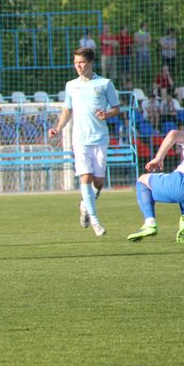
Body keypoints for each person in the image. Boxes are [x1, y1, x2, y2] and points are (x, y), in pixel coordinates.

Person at [48, 47, 120, 237]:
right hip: (79, 139)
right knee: (85, 177)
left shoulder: (105, 84)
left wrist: (107, 114)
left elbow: (116, 108)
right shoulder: (71, 85)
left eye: (81, 62)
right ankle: (95, 221)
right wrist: (58, 128)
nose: (78, 66)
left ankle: (84, 205)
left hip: (100, 138)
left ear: (90, 63)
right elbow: (67, 110)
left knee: (99, 182)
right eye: (75, 63)